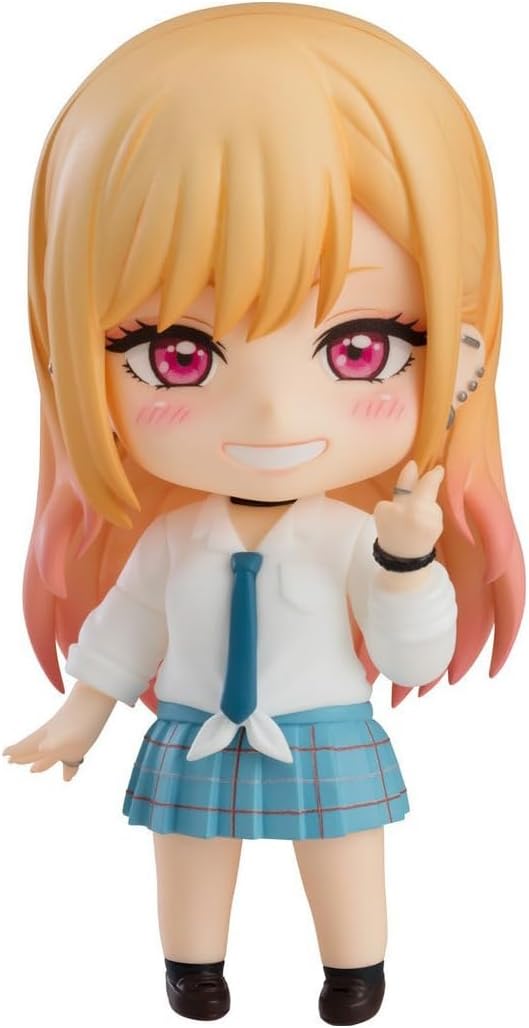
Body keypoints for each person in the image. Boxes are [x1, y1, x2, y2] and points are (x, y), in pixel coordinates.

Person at [3, 5, 524, 1024]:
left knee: (345, 847)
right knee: (188, 849)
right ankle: (192, 965)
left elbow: (410, 654)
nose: (277, 415)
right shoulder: (174, 540)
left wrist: (406, 564)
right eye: (178, 355)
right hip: (193, 724)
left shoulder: (350, 536)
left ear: (460, 358)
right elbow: (126, 627)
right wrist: (81, 712)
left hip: (322, 724)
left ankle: (354, 969)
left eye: (361, 347)